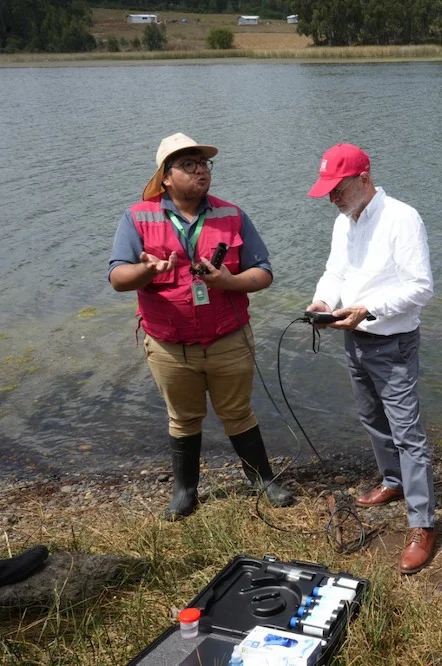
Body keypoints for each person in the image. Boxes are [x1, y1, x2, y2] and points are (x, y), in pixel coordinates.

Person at [109, 133, 293, 521]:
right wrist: (148, 269)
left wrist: (228, 282)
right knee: (184, 417)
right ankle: (185, 490)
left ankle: (261, 480)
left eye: (204, 164)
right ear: (165, 177)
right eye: (188, 165)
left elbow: (264, 273)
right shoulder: (138, 216)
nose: (200, 171)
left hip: (229, 337)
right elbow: (118, 278)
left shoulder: (233, 214)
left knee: (238, 412)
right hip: (169, 344)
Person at [305, 143, 436, 575]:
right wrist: (323, 301)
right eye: (327, 191)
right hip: (353, 337)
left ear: (363, 179)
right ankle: (394, 482)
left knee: (407, 432)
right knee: (371, 418)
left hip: (392, 341)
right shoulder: (345, 222)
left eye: (337, 189)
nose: (332, 199)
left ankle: (422, 524)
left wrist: (368, 308)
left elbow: (421, 287)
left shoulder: (402, 217)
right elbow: (336, 272)